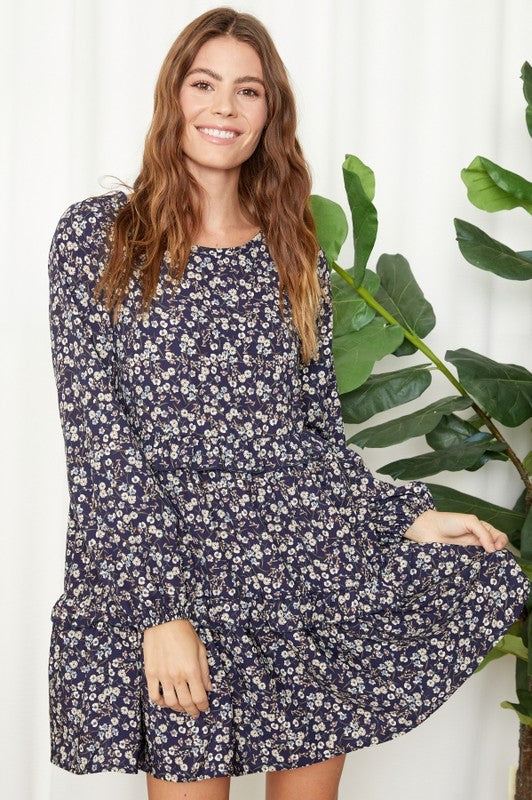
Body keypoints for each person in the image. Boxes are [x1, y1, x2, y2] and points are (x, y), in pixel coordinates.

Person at [46, 7, 529, 800]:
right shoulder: (98, 239)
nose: (224, 108)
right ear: (174, 96)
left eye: (249, 91)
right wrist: (159, 612)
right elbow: (99, 446)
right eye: (205, 85)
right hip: (177, 576)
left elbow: (312, 436)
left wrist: (400, 516)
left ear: (272, 112)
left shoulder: (292, 246)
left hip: (302, 568)